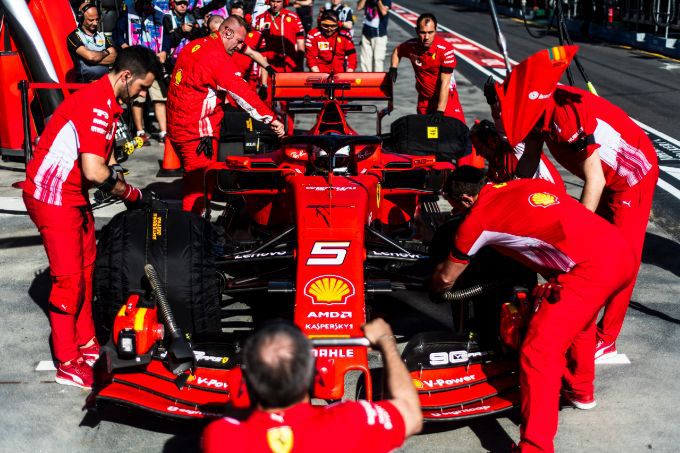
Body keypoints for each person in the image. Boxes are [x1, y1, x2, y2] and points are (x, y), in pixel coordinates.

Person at [429, 167, 635, 452]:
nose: (455, 212)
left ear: (466, 199)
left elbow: (446, 278)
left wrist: (433, 288)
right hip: (618, 249)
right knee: (580, 321)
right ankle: (580, 391)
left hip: (589, 270)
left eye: (454, 205)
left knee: (538, 352)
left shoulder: (477, 220)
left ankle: (535, 446)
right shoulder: (524, 184)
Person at [22, 46, 157, 389]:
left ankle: (85, 342)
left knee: (85, 271)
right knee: (68, 281)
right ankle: (67, 362)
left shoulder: (109, 102)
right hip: (52, 196)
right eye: (142, 87)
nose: (142, 95)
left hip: (72, 194)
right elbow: (95, 172)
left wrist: (123, 181)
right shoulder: (97, 104)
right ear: (126, 76)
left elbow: (105, 162)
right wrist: (131, 195)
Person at [517, 85, 659, 360]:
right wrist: (509, 193)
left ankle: (606, 340)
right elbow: (529, 158)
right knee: (593, 258)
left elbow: (596, 179)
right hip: (605, 178)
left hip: (631, 177)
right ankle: (580, 324)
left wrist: (577, 231)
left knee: (620, 259)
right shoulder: (530, 107)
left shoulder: (565, 116)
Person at [202, 319, 422, 452]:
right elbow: (411, 413)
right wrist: (386, 341)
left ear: (243, 381)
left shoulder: (220, 437)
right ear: (317, 375)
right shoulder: (352, 421)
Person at [166, 15, 285, 214]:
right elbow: (243, 93)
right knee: (200, 190)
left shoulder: (194, 45)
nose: (239, 47)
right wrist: (272, 119)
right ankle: (192, 228)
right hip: (197, 133)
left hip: (178, 127)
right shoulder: (217, 57)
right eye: (238, 41)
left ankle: (193, 225)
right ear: (227, 32)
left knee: (194, 183)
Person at [389, 13, 463, 124]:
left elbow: (445, 83)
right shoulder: (411, 46)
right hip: (424, 100)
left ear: (436, 30)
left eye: (430, 32)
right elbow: (397, 51)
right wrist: (393, 68)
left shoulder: (445, 49)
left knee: (458, 131)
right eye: (423, 33)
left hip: (447, 100)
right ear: (417, 31)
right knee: (424, 133)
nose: (426, 37)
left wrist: (440, 111)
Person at [113, 0, 168, 144]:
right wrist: (124, 46)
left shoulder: (160, 14)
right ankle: (140, 131)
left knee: (159, 97)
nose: (146, 5)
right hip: (136, 63)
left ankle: (164, 132)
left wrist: (164, 51)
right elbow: (117, 33)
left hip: (154, 61)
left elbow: (167, 36)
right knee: (138, 98)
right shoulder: (128, 12)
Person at [469, 119, 564, 187]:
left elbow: (502, 117)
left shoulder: (515, 145)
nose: (477, 153)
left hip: (550, 194)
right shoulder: (494, 164)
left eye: (479, 148)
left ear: (492, 141)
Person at [229, 2, 275, 95]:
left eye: (239, 17)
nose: (236, 20)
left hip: (250, 81)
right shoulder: (225, 34)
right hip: (230, 79)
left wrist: (264, 84)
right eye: (233, 17)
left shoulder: (256, 35)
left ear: (246, 16)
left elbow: (263, 58)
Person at [67, 2, 118, 83]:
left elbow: (114, 57)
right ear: (81, 18)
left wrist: (91, 61)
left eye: (97, 19)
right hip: (86, 84)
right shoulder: (74, 36)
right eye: (91, 20)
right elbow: (91, 57)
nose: (95, 23)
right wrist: (106, 52)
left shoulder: (101, 35)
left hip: (104, 82)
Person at [253, 0, 306, 73]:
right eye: (273, 1)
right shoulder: (261, 18)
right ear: (269, 1)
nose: (275, 5)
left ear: (284, 2)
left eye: (279, 2)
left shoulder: (293, 17)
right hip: (269, 67)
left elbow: (300, 42)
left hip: (290, 66)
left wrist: (300, 64)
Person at [305, 9, 357, 73]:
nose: (329, 29)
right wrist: (318, 75)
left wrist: (348, 73)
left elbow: (352, 56)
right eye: (325, 25)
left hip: (340, 74)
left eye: (333, 26)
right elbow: (311, 58)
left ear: (338, 24)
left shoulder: (344, 35)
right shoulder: (313, 35)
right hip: (319, 74)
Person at [160, 0, 198, 70]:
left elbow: (197, 37)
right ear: (173, 4)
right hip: (171, 60)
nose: (183, 6)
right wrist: (181, 30)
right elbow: (169, 41)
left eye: (185, 3)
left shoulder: (190, 16)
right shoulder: (167, 17)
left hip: (187, 59)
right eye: (179, 3)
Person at [357, 0, 391, 72]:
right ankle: (367, 78)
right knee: (365, 61)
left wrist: (378, 1)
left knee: (378, 60)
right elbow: (359, 7)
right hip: (366, 33)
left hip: (379, 35)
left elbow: (384, 12)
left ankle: (377, 79)